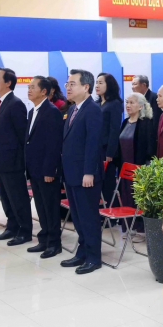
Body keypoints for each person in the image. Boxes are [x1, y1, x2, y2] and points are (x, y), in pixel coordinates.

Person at [60, 69, 104, 275]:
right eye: (67, 84)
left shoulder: (92, 110)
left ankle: (94, 257)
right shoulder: (73, 109)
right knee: (77, 217)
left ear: (86, 87)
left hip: (85, 174)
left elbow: (93, 144)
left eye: (72, 84)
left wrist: (89, 172)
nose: (68, 87)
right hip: (71, 172)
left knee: (88, 217)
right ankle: (82, 252)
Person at [0, 67, 33, 247]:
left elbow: (22, 135)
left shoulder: (15, 104)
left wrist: (21, 161)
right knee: (6, 197)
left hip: (12, 161)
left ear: (8, 83)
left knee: (17, 198)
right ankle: (12, 226)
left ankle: (25, 230)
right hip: (0, 161)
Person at [25, 76, 64, 259]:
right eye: (28, 87)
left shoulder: (52, 111)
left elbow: (54, 144)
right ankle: (44, 239)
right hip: (34, 168)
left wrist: (50, 170)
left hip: (47, 169)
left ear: (44, 91)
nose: (29, 90)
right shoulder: (32, 111)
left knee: (50, 207)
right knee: (40, 206)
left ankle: (54, 243)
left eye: (33, 87)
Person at [115, 93, 156, 232]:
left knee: (138, 198)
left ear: (140, 106)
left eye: (132, 102)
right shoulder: (125, 122)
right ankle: (128, 227)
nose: (128, 105)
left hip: (139, 168)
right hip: (124, 167)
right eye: (127, 102)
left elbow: (150, 147)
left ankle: (140, 228)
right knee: (126, 196)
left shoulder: (146, 123)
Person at [96, 72, 124, 207]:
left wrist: (110, 152)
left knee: (107, 183)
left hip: (107, 149)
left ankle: (110, 211)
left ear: (109, 85)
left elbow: (114, 129)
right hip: (96, 148)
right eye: (96, 82)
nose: (97, 85)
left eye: (101, 83)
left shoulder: (115, 104)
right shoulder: (96, 103)